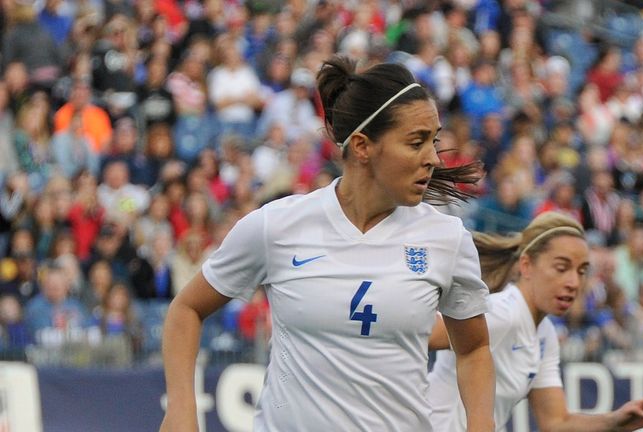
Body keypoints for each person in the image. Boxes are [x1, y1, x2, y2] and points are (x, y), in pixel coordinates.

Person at [160, 55, 495, 431]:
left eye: (433, 141)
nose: (433, 158)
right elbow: (185, 310)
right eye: (416, 142)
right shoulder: (277, 226)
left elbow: (474, 348)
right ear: (363, 146)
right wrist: (182, 411)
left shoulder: (446, 239)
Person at [428, 211, 643, 432]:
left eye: (581, 271)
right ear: (526, 265)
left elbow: (555, 422)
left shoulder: (544, 334)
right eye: (561, 267)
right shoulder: (502, 313)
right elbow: (420, 332)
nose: (574, 283)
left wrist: (615, 421)